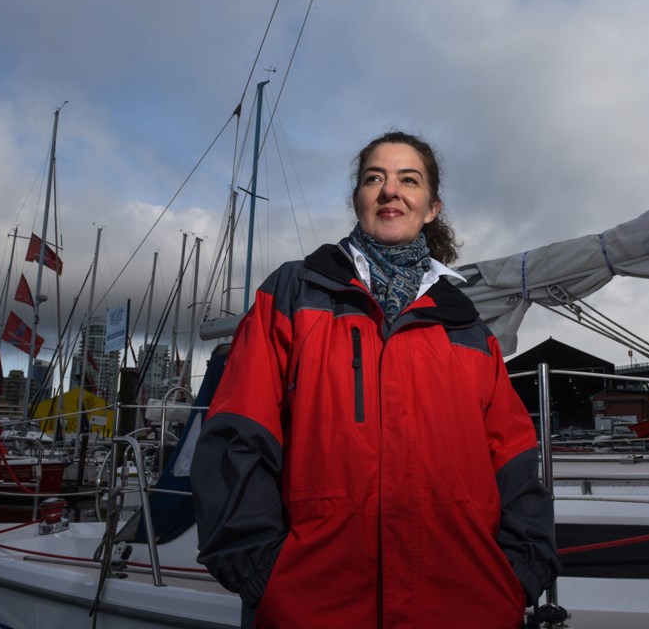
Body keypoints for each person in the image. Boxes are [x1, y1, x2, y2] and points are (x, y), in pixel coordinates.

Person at [191, 130, 561, 628]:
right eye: (375, 178)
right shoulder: (294, 293)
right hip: (313, 606)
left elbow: (514, 462)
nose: (391, 190)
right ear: (358, 199)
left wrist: (517, 575)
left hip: (467, 604)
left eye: (409, 179)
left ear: (431, 207)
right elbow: (238, 432)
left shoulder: (469, 328)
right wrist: (263, 572)